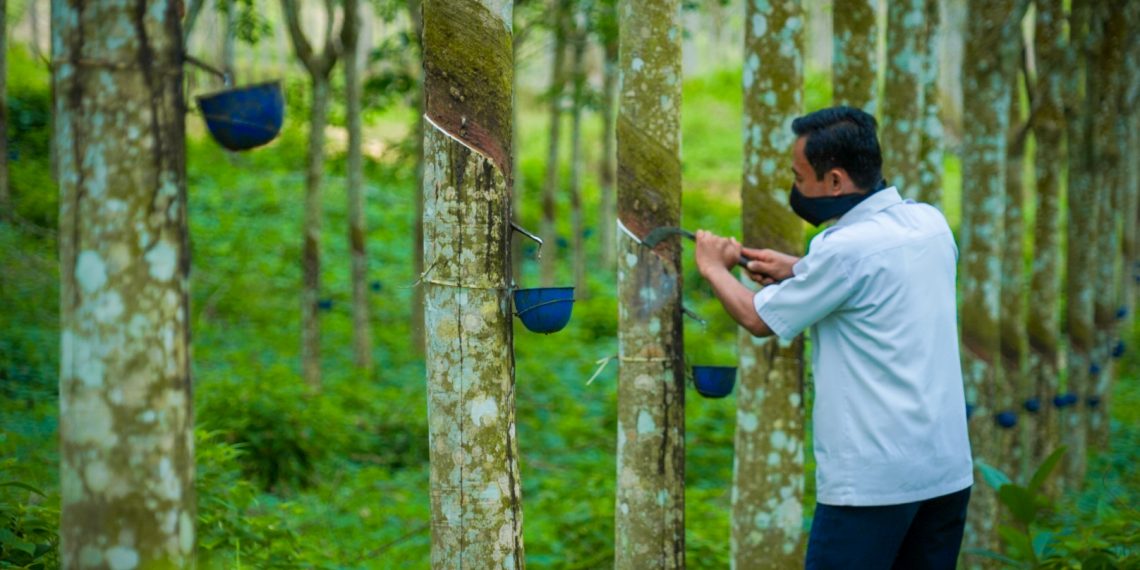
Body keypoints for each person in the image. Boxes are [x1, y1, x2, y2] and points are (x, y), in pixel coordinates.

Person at [693, 106, 973, 569]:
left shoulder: (842, 250)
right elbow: (878, 281)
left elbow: (758, 318)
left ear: (837, 181)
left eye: (800, 177)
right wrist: (801, 270)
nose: (795, 189)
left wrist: (712, 266)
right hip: (944, 474)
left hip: (872, 485)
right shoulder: (930, 225)